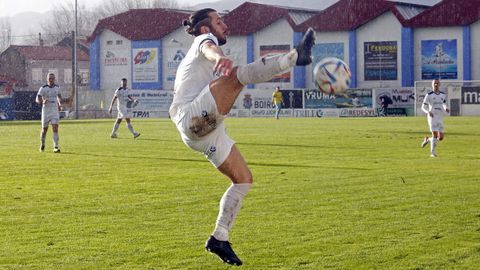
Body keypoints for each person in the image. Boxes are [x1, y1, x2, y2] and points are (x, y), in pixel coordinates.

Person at [168, 8, 315, 266]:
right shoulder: (203, 41)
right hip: (191, 118)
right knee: (237, 75)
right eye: (219, 21)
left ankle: (220, 238)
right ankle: (293, 58)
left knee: (243, 179)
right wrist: (218, 58)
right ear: (205, 28)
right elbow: (208, 49)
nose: (225, 25)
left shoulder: (202, 44)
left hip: (204, 133)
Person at [36, 73, 71, 153]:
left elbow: (59, 97)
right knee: (44, 130)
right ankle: (42, 144)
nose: (51, 80)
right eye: (50, 78)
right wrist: (42, 101)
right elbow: (37, 99)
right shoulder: (43, 88)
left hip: (54, 109)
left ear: (54, 79)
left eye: (52, 78)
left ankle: (56, 146)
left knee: (55, 128)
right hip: (46, 110)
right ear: (47, 79)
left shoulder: (57, 87)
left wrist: (61, 104)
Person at [421, 78, 449, 157]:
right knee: (435, 135)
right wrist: (428, 112)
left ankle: (427, 140)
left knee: (441, 138)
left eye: (437, 83)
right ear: (432, 85)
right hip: (432, 117)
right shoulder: (429, 95)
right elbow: (423, 107)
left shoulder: (443, 95)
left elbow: (443, 103)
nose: (436, 85)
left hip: (440, 117)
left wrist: (445, 108)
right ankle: (432, 153)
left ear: (439, 85)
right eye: (434, 84)